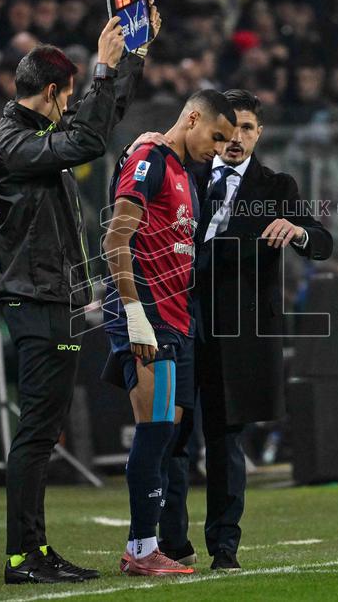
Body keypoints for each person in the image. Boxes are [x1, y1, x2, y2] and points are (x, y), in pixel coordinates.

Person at [0, 5, 160, 585]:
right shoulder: (12, 144)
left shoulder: (32, 135)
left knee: (43, 426)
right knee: (37, 429)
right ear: (56, 92)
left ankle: (34, 549)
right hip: (33, 298)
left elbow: (93, 127)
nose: (71, 104)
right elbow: (86, 139)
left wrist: (130, 58)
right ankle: (22, 557)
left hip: (49, 296)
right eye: (69, 94)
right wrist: (104, 69)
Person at [159, 89, 332, 569]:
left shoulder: (277, 187)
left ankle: (224, 548)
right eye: (230, 127)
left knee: (225, 439)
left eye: (248, 129)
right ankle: (173, 544)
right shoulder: (184, 171)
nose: (237, 138)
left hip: (239, 333)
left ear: (261, 133)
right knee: (171, 435)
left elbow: (322, 240)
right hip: (181, 321)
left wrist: (296, 232)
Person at [102, 90, 237, 576]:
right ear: (193, 117)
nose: (220, 147)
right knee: (156, 428)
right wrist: (135, 314)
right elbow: (115, 237)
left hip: (176, 318)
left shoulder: (184, 174)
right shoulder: (150, 158)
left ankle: (144, 543)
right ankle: (141, 548)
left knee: (167, 431)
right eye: (216, 136)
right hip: (148, 313)